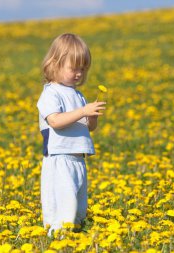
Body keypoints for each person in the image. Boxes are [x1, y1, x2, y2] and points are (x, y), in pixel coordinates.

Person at [37, 33, 106, 236]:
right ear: (55, 64)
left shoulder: (78, 95)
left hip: (78, 158)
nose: (78, 73)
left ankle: (74, 238)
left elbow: (88, 127)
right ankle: (56, 239)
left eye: (83, 69)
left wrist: (91, 117)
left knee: (79, 207)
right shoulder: (51, 92)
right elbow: (55, 121)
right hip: (59, 157)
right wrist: (83, 111)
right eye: (73, 68)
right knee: (62, 206)